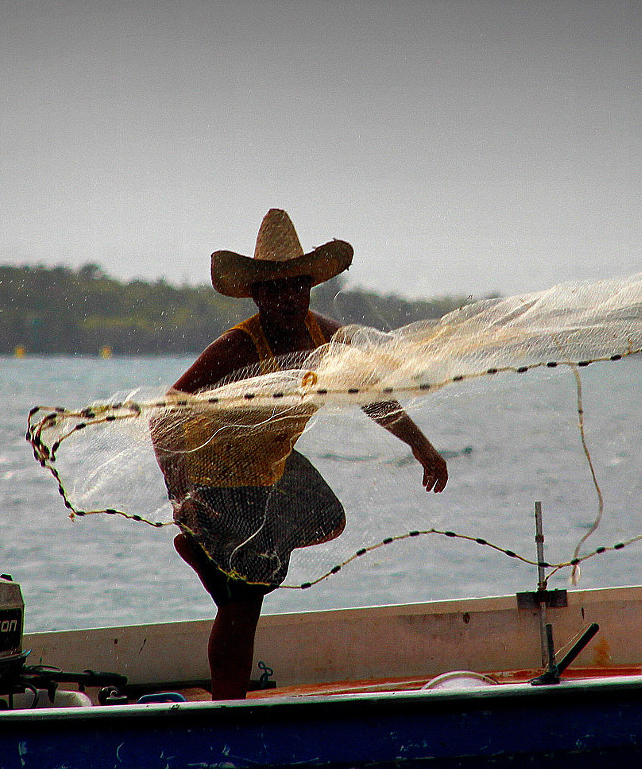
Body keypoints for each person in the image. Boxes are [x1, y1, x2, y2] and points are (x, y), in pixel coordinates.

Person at [152, 209, 449, 700]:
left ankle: (212, 561)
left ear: (310, 287)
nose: (287, 298)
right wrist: (181, 494)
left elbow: (371, 393)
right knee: (246, 599)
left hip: (272, 462)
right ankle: (230, 708)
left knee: (327, 518)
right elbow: (166, 415)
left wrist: (422, 446)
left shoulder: (325, 338)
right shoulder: (237, 347)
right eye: (273, 289)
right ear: (256, 294)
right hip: (218, 470)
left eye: (296, 286)